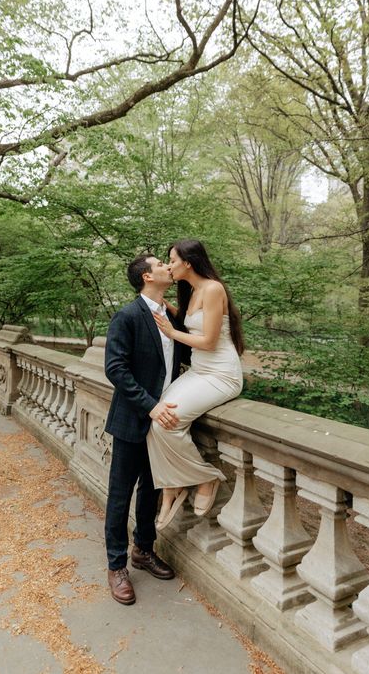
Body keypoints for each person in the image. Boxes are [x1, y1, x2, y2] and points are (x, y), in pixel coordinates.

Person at [104, 253, 189, 605]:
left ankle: (144, 550)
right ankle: (116, 566)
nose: (168, 267)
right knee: (121, 494)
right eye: (160, 265)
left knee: (151, 490)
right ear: (146, 276)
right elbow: (115, 368)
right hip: (133, 418)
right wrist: (151, 405)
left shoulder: (169, 314)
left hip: (164, 423)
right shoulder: (127, 316)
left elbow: (182, 359)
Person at [149, 239, 244, 530]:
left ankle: (204, 478)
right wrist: (164, 305)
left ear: (188, 262)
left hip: (221, 374)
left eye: (172, 260)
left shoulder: (213, 289)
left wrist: (170, 332)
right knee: (155, 419)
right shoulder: (192, 291)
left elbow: (209, 340)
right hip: (199, 371)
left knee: (169, 421)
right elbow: (191, 322)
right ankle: (171, 485)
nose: (169, 266)